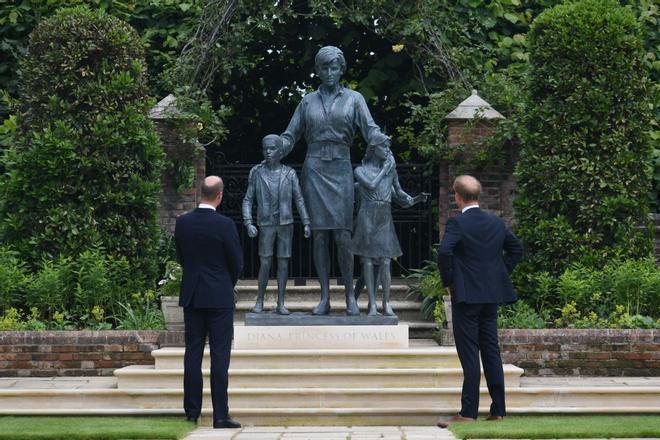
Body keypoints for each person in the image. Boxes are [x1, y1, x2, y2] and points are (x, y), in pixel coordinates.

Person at [281, 45, 385, 316]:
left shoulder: (354, 99)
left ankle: (350, 295)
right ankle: (325, 297)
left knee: (342, 235)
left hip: (340, 167)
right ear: (317, 70)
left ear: (342, 69)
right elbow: (290, 135)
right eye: (324, 67)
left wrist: (382, 144)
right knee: (319, 237)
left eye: (334, 67)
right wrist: (275, 147)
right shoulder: (307, 102)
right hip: (314, 169)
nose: (329, 72)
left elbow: (370, 129)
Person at [436, 175, 523, 428]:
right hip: (490, 296)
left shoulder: (457, 223)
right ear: (478, 195)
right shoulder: (495, 221)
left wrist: (450, 282)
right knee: (491, 350)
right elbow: (515, 249)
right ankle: (498, 410)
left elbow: (444, 252)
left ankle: (468, 412)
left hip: (466, 297)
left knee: (470, 353)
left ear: (458, 196)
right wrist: (500, 274)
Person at [175, 176, 243, 429]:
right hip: (219, 297)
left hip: (193, 295)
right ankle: (220, 415)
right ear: (219, 195)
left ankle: (192, 412)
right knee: (220, 355)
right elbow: (236, 261)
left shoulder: (182, 223)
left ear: (200, 193)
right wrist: (226, 283)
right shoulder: (225, 224)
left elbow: (181, 257)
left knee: (192, 353)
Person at [351, 133, 429, 316]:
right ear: (374, 149)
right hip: (367, 216)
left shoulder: (389, 170)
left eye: (388, 147)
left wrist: (416, 199)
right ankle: (371, 305)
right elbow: (370, 185)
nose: (388, 150)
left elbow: (400, 195)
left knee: (386, 261)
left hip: (384, 216)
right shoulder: (360, 170)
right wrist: (385, 170)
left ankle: (386, 303)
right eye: (384, 147)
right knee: (368, 261)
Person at [242, 134, 311, 315]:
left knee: (283, 263)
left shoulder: (289, 173)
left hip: (285, 223)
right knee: (264, 263)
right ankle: (260, 300)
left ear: (281, 151)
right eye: (265, 148)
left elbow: (299, 199)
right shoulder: (257, 173)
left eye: (272, 148)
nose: (268, 152)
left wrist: (306, 222)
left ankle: (281, 302)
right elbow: (248, 200)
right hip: (265, 224)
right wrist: (248, 222)